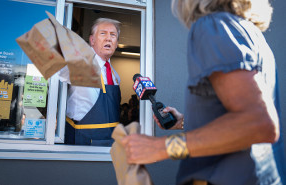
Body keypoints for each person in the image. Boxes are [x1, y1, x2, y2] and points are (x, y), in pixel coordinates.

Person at [121, 0, 284, 184]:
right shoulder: (250, 33)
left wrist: (160, 148)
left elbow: (258, 123)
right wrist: (184, 122)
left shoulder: (213, 26)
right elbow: (240, 116)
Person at [59, 18, 121, 146]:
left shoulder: (115, 76)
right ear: (92, 40)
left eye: (113, 35)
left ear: (117, 43)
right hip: (81, 142)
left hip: (109, 144)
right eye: (103, 33)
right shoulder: (80, 64)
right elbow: (56, 72)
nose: (108, 38)